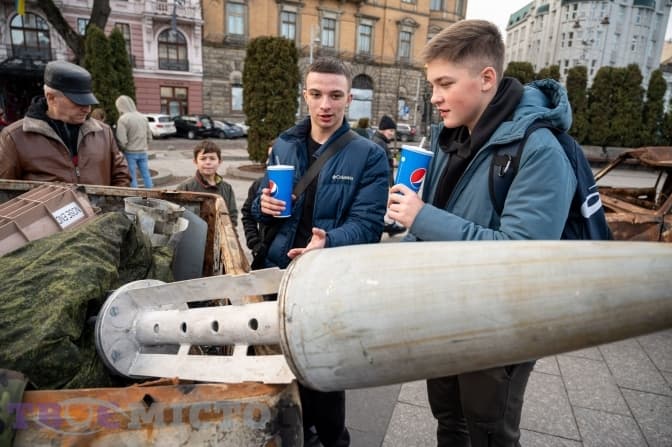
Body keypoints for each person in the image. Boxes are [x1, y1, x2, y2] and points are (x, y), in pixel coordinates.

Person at [387, 20, 576, 447]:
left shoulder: (539, 149)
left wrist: (421, 217)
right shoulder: (449, 138)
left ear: (487, 78)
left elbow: (520, 255)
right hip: (445, 311)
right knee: (448, 420)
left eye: (445, 83)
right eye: (432, 85)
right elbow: (431, 220)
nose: (434, 97)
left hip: (501, 327)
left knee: (490, 433)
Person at [251, 57, 389, 446]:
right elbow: (259, 205)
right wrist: (264, 205)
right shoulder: (284, 144)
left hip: (327, 283)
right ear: (305, 96)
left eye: (335, 95)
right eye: (316, 94)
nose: (325, 105)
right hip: (279, 275)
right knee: (279, 372)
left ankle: (331, 440)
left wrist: (328, 240)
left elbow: (368, 226)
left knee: (323, 377)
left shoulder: (369, 154)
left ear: (349, 99)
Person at [0, 60, 130, 186]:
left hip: (100, 203)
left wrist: (112, 200)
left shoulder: (104, 132)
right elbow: (5, 192)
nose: (87, 109)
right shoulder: (14, 137)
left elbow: (121, 176)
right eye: (79, 102)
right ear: (51, 98)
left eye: (89, 101)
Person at [177, 139, 238, 227]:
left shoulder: (227, 188)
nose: (208, 162)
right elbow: (178, 217)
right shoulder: (185, 187)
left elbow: (232, 216)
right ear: (195, 162)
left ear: (220, 161)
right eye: (203, 158)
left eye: (212, 158)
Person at [371, 115, 406, 236]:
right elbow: (384, 166)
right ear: (382, 129)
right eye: (390, 130)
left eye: (393, 131)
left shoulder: (378, 141)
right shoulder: (379, 143)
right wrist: (390, 184)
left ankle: (389, 226)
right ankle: (388, 226)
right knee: (385, 205)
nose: (392, 134)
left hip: (379, 181)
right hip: (380, 181)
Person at [115, 95, 153, 188]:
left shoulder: (123, 119)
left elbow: (122, 140)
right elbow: (149, 136)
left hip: (130, 152)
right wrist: (144, 145)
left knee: (132, 176)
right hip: (143, 151)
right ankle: (151, 191)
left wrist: (123, 148)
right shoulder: (143, 117)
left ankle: (135, 195)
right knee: (146, 174)